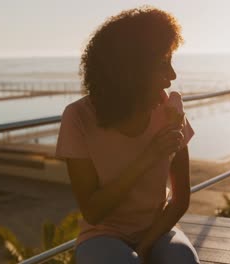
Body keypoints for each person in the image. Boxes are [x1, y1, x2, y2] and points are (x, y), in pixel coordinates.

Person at [55, 6, 199, 264]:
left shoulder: (170, 111)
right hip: (102, 236)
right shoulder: (78, 118)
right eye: (163, 64)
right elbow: (93, 211)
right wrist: (150, 155)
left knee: (183, 260)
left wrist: (145, 245)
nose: (173, 76)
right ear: (132, 71)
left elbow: (180, 199)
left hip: (158, 229)